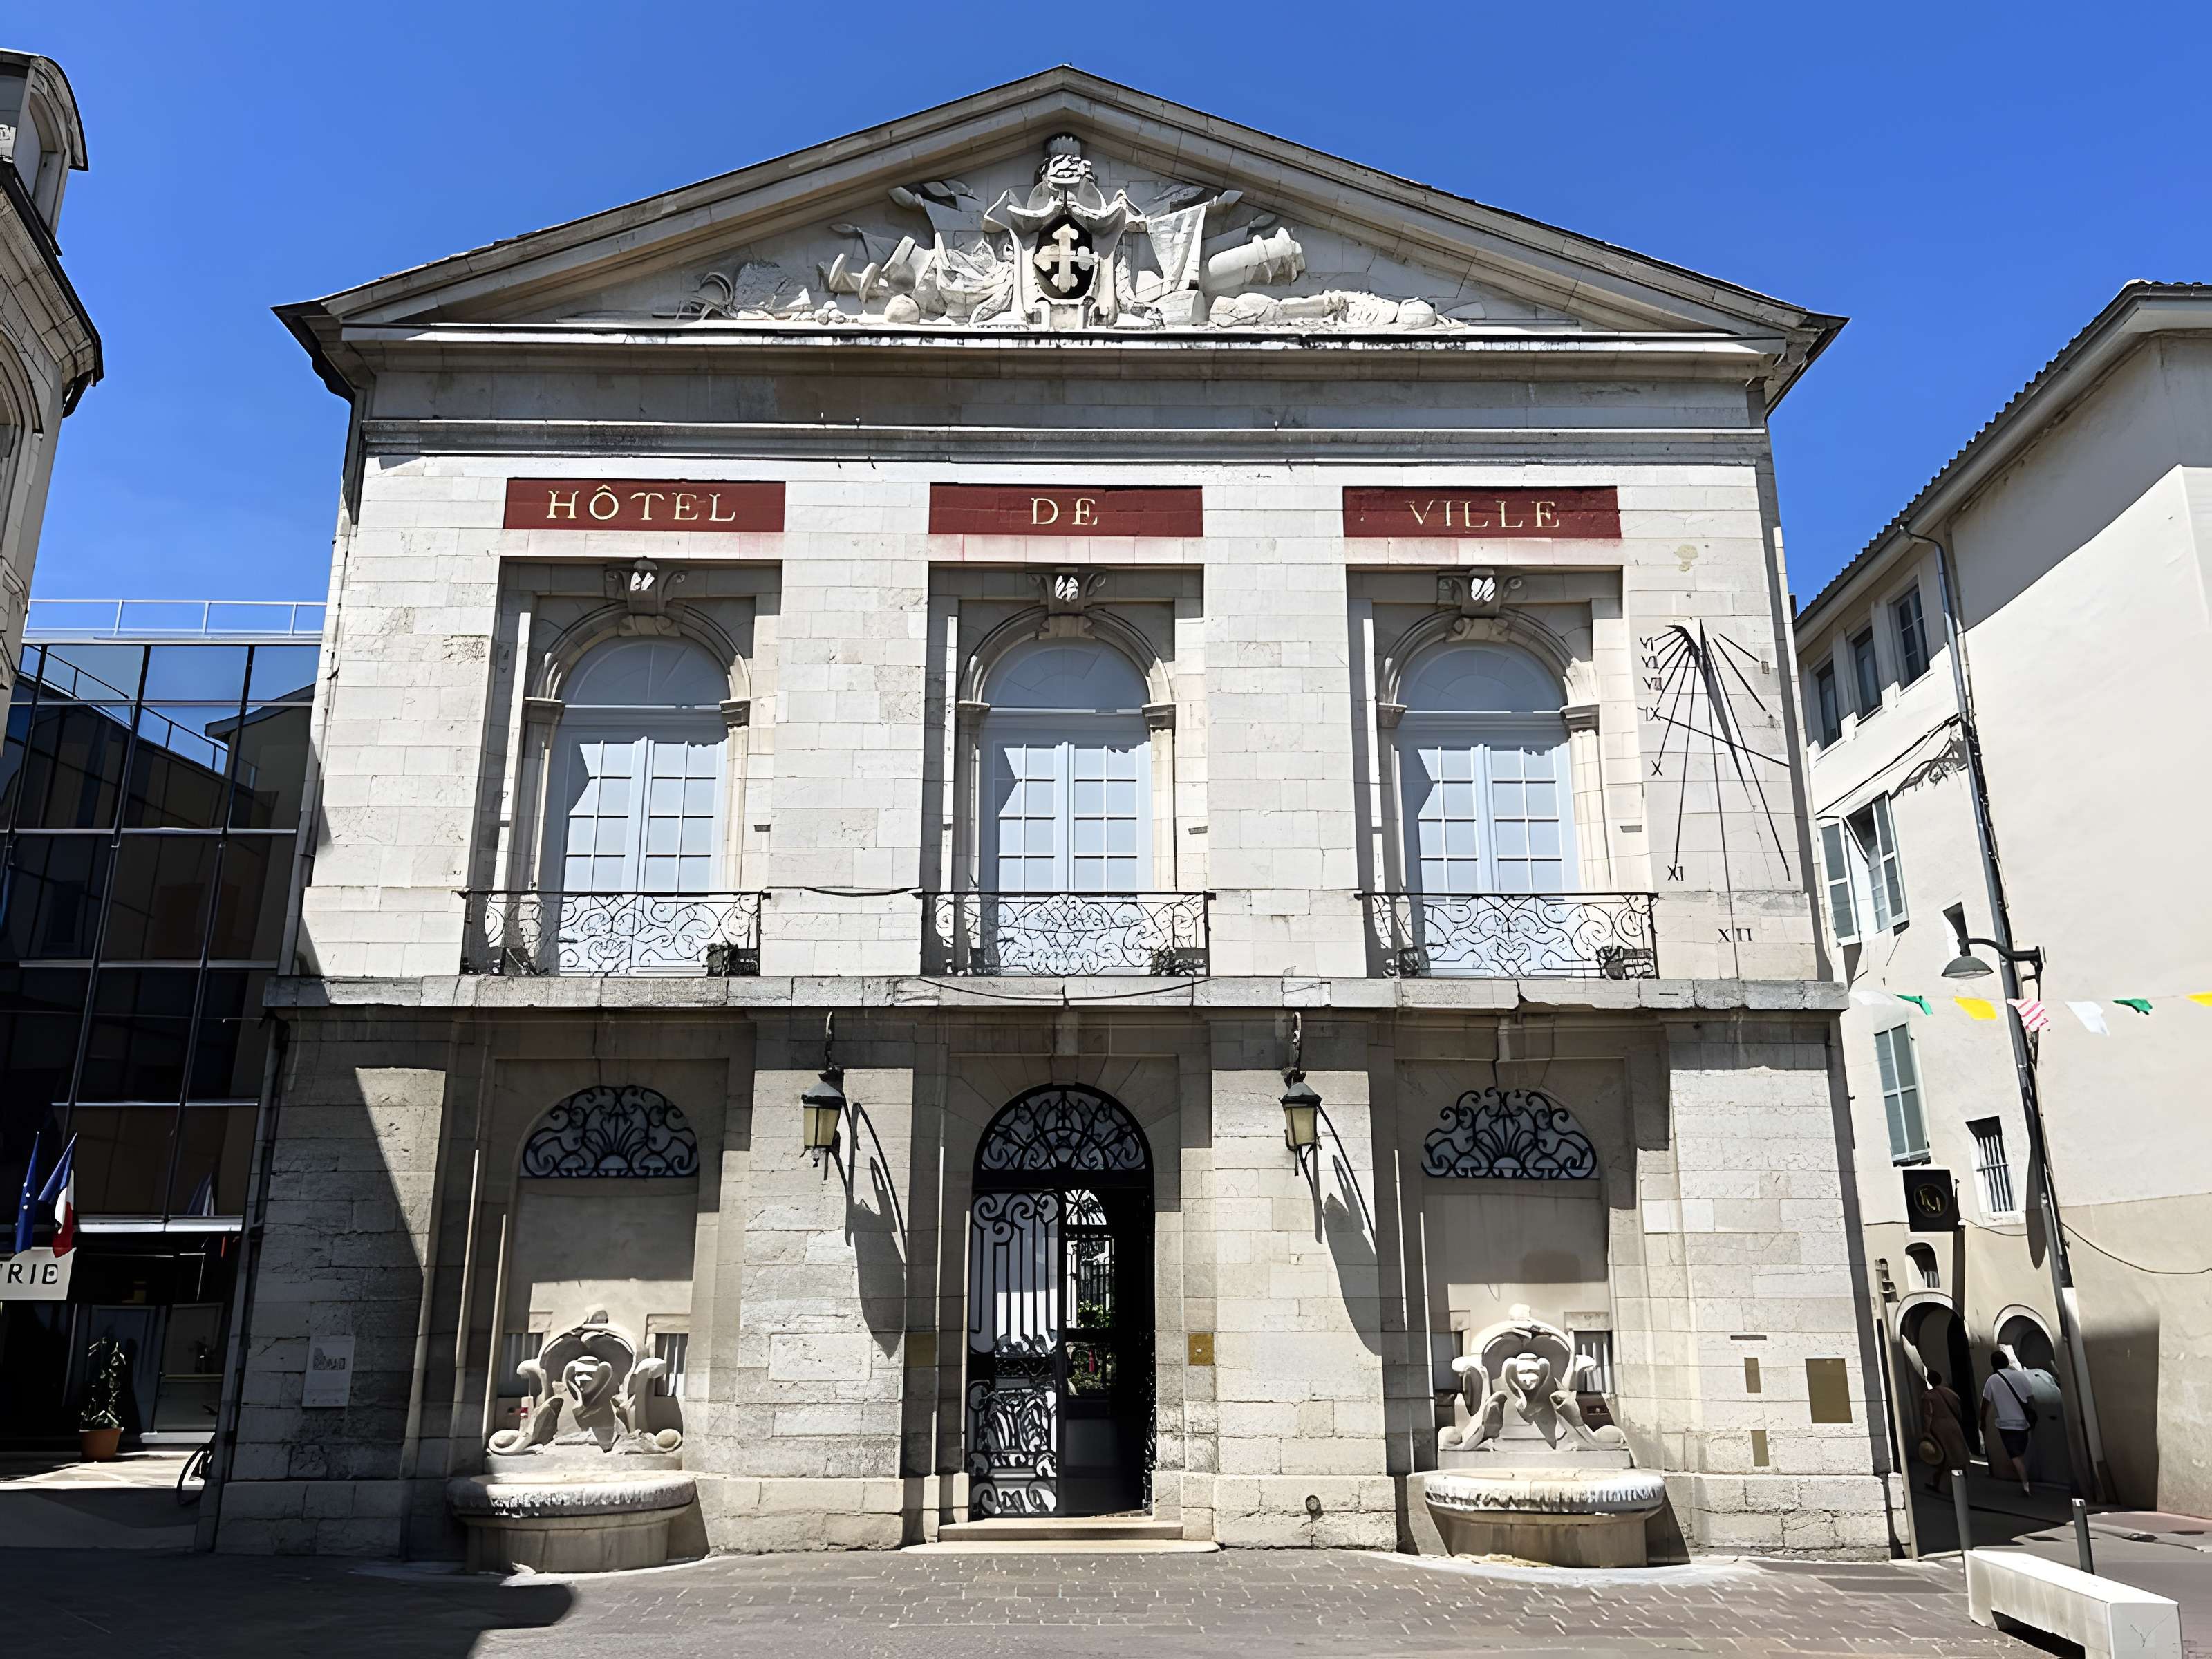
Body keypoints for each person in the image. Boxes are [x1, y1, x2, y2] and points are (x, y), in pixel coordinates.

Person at [1980, 1351, 2036, 1494]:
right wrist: (2033, 1416)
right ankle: (2026, 1477)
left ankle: (2025, 1483)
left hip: (2006, 1424)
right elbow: (2031, 1399)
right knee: (2022, 1452)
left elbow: (1985, 1404)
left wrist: (1982, 1421)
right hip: (2023, 1423)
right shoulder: (2020, 1375)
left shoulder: (1992, 1380)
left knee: (2015, 1455)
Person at [1921, 1368, 1970, 1494]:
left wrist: (1926, 1431)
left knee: (1942, 1456)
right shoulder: (1952, 1394)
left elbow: (1928, 1415)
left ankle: (1940, 1483)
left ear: (1929, 1381)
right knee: (1958, 1453)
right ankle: (1959, 1481)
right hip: (1954, 1425)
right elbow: (1959, 1412)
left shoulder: (1928, 1396)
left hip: (1939, 1427)